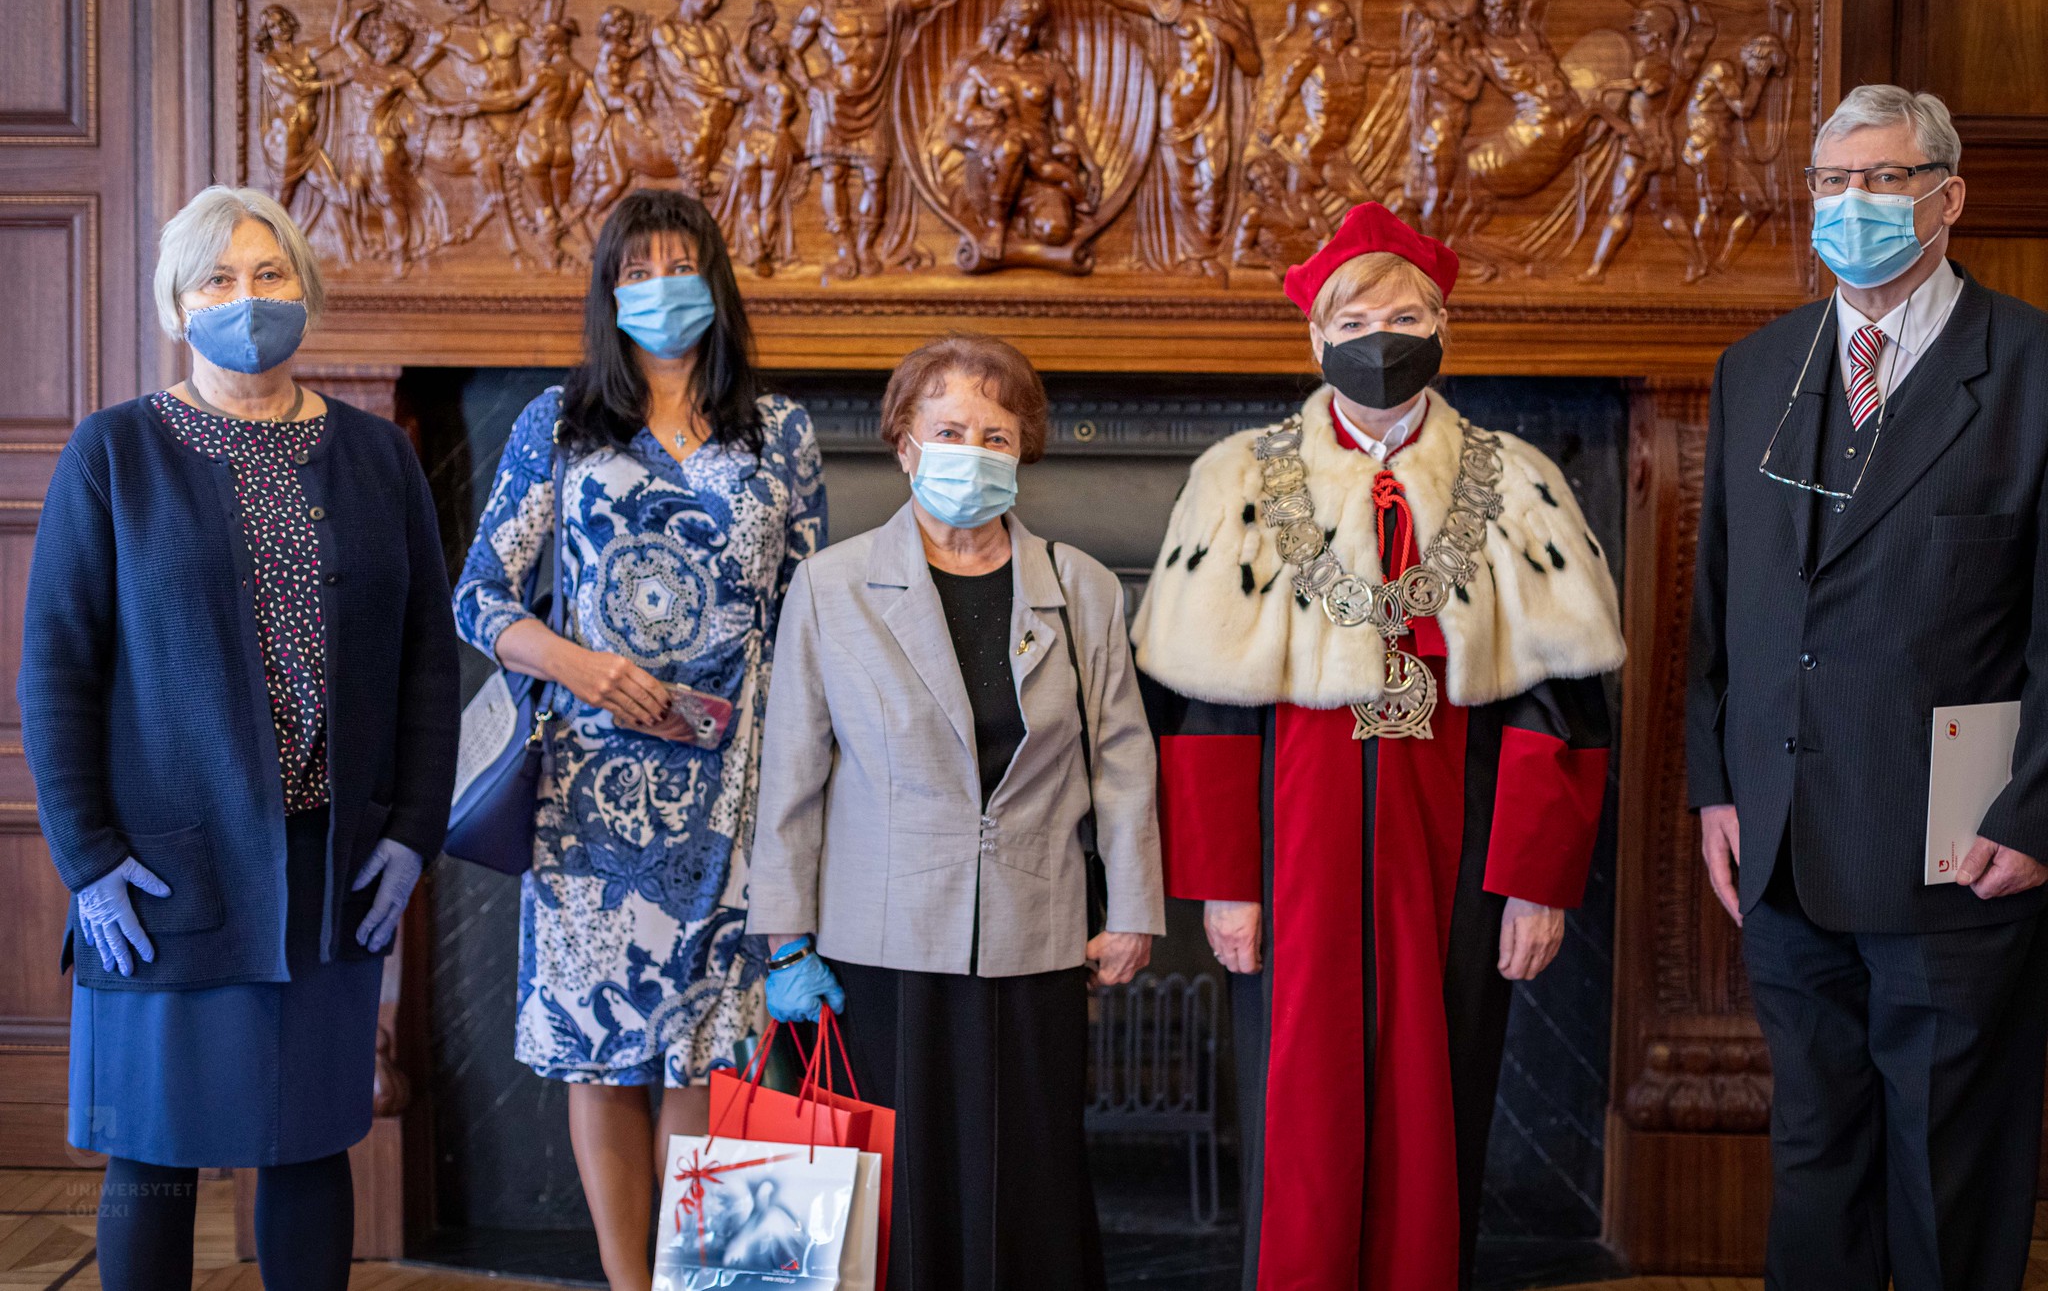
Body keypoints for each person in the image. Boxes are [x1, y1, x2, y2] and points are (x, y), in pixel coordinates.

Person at [1131, 201, 1625, 1290]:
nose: (1379, 338)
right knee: (1295, 1112)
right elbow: (1207, 707)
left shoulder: (1516, 481)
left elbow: (1562, 705)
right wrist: (1225, 884)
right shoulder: (1236, 480)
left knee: (1437, 1097)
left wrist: (1535, 883)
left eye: (1404, 316)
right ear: (1315, 335)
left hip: (1456, 859)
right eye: (1354, 320)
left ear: (1443, 326)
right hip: (1289, 857)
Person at [17, 185, 460, 1291]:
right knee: (153, 1155)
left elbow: (427, 658)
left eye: (270, 274)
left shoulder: (378, 457)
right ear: (177, 304)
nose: (246, 297)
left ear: (306, 291)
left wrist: (412, 830)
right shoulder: (113, 452)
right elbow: (57, 668)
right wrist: (89, 859)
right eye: (218, 278)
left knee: (310, 1138)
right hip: (160, 877)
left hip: (330, 870)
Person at [1688, 85, 2048, 1291]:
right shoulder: (1754, 370)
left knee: (1945, 1177)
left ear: (1948, 197)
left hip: (1956, 853)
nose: (1854, 204)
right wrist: (1714, 787)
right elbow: (1719, 608)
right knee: (1813, 1161)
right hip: (1782, 850)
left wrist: (2033, 814)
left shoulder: (2031, 367)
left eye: (1885, 179)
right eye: (1832, 182)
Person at [453, 189, 823, 1291]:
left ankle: (710, 1285)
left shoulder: (781, 432)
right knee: (603, 1062)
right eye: (637, 268)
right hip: (588, 806)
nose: (662, 287)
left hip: (739, 795)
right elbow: (479, 597)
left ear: (716, 282)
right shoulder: (557, 425)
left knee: (720, 1061)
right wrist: (584, 667)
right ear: (609, 293)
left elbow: (808, 616)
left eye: (681, 264)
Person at [747, 331, 1165, 1291]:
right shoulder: (831, 586)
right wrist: (783, 942)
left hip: (1037, 936)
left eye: (995, 435)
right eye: (948, 430)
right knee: (890, 1193)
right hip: (876, 947)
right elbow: (792, 775)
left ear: (1022, 454)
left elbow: (1123, 760)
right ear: (905, 445)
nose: (971, 451)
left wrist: (1136, 906)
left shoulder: (1083, 588)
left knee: (1031, 1182)